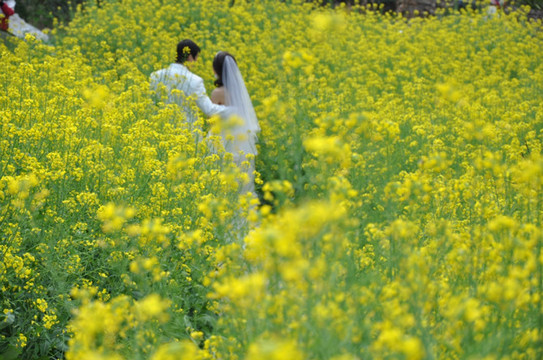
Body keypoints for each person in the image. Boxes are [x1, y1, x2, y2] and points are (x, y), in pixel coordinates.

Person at [211, 51, 260, 197]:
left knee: (223, 184)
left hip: (223, 140)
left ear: (216, 70)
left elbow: (213, 120)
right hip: (242, 141)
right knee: (243, 183)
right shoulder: (240, 92)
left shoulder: (217, 93)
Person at [150, 39, 229, 127]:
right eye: (196, 58)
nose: (195, 63)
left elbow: (152, 104)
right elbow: (209, 109)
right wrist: (233, 109)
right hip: (187, 131)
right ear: (190, 57)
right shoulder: (195, 81)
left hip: (161, 129)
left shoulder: (155, 76)